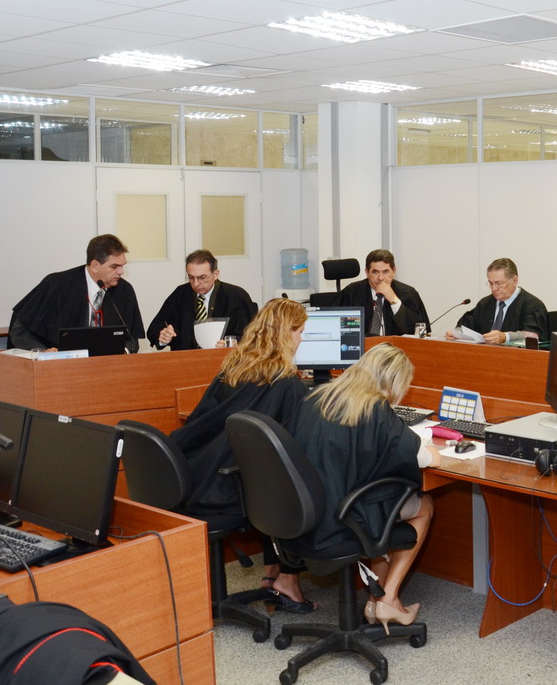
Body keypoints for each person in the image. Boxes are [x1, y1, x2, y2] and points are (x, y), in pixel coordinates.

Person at [169, 297, 314, 612]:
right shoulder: (286, 384)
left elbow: (200, 423)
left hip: (200, 476)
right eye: (300, 332)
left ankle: (272, 572)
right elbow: (300, 442)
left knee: (268, 474)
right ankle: (288, 579)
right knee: (298, 480)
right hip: (228, 488)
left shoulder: (232, 370)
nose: (302, 339)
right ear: (285, 334)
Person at [287, 343, 439, 632]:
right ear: (392, 381)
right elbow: (423, 457)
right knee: (424, 506)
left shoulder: (317, 397)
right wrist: (434, 450)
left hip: (307, 510)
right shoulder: (375, 408)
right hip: (342, 515)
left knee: (380, 506)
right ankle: (388, 598)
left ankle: (374, 598)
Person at [9, 234, 145, 353]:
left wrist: (124, 351)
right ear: (95, 266)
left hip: (106, 365)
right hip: (58, 364)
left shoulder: (124, 290)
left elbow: (131, 337)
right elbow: (20, 331)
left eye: (122, 266)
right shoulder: (57, 285)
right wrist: (43, 351)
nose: (121, 272)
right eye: (114, 267)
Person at [146, 250, 258, 350]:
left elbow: (254, 334)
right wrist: (163, 336)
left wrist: (234, 343)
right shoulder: (180, 294)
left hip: (224, 361)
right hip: (185, 360)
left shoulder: (236, 296)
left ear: (215, 274)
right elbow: (155, 327)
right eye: (191, 277)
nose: (196, 284)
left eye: (202, 277)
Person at [447, 257, 549, 344]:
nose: (494, 289)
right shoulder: (485, 303)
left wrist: (505, 337)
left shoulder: (533, 305)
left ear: (514, 280)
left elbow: (533, 336)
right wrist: (456, 333)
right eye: (491, 283)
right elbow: (467, 325)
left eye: (499, 283)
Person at [337, 249, 429, 337]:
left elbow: (420, 332)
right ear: (367, 272)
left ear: (394, 271)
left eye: (385, 272)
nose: (381, 278)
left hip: (396, 347)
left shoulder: (408, 293)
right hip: (364, 347)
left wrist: (394, 300)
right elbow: (341, 330)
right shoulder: (352, 293)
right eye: (375, 272)